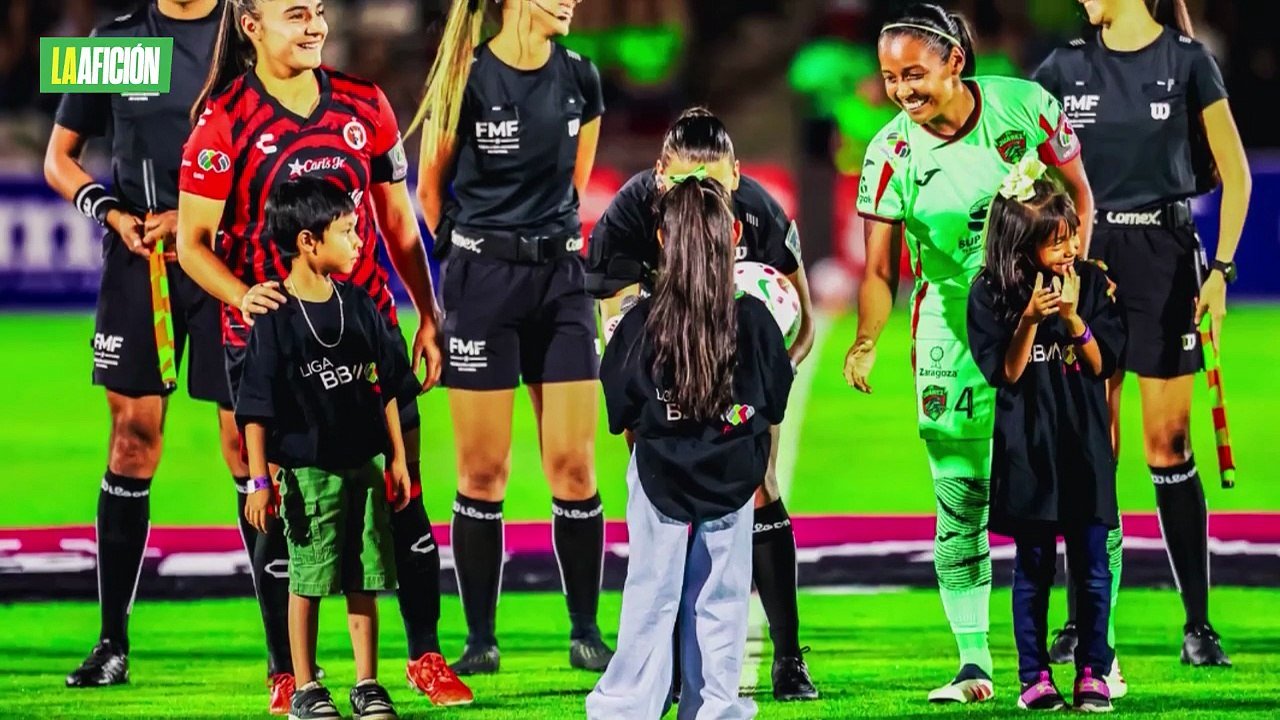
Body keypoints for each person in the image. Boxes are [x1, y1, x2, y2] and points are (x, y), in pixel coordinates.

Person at [176, 0, 472, 710]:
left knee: (402, 496)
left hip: (367, 340)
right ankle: (290, 671)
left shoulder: (365, 105)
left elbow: (398, 223)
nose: (313, 25)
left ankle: (423, 658)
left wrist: (428, 316)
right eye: (295, 13)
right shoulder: (221, 124)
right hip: (270, 353)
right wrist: (244, 296)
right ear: (250, 26)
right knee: (278, 512)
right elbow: (192, 243)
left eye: (316, 12)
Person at [842, 2, 1094, 703]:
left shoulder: (1027, 107)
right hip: (951, 334)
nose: (902, 91)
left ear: (955, 60)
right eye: (891, 78)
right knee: (961, 492)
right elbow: (879, 270)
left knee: (1064, 487)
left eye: (914, 73)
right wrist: (867, 341)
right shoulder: (890, 153)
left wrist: (1075, 295)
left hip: (1040, 323)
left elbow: (1078, 193)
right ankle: (974, 662)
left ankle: (1092, 653)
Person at [1033, 0, 1250, 669]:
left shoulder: (1188, 62)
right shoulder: (1061, 68)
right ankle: (1080, 621)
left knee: (1169, 446)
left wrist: (1219, 273)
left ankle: (1198, 625)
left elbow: (1236, 176)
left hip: (1163, 260)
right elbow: (1024, 164)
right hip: (1086, 263)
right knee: (1094, 446)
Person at [587, 107, 818, 701]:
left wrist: (752, 397)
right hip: (658, 367)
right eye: (686, 183)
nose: (700, 196)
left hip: (733, 365)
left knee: (757, 483)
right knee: (658, 496)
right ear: (661, 176)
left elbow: (803, 323)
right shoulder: (627, 220)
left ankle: (787, 658)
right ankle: (661, 672)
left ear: (736, 177)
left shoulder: (759, 213)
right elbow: (617, 333)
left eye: (713, 183)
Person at [411, 0, 612, 674]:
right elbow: (430, 194)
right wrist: (469, 271)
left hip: (560, 282)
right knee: (483, 472)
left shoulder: (583, 76)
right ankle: (480, 641)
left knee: (575, 466)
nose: (570, 1)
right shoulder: (463, 80)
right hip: (482, 287)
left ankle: (586, 632)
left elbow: (574, 186)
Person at [43, 0, 231, 689]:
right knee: (131, 440)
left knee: (248, 442)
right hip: (140, 259)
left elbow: (271, 150)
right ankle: (111, 643)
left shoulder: (242, 32)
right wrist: (111, 211)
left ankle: (283, 659)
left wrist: (198, 216)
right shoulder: (116, 40)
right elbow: (59, 159)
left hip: (223, 256)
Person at [238, 177, 413, 720]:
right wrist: (261, 481)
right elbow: (256, 405)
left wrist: (400, 459)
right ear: (309, 242)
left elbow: (386, 383)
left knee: (365, 575)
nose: (359, 240)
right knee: (309, 576)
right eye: (347, 231)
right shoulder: (274, 315)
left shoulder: (359, 305)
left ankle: (367, 682)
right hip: (306, 470)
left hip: (363, 465)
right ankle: (306, 685)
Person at [967, 159, 1125, 713]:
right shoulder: (990, 293)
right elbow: (1005, 373)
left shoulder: (1093, 280)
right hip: (1027, 453)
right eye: (1055, 241)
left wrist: (1077, 320)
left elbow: (1105, 365)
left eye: (1070, 236)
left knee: (1093, 568)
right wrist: (1031, 319)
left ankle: (1093, 672)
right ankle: (1033, 676)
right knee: (1032, 569)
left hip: (1082, 449)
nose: (1067, 249)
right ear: (1021, 241)